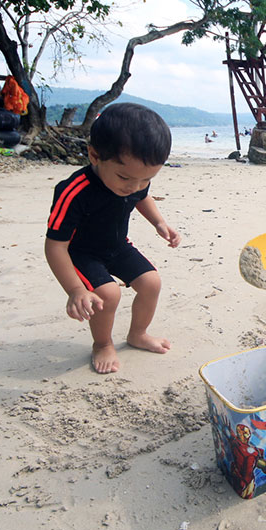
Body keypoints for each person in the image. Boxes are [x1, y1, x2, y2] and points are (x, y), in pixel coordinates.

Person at [44, 103, 181, 374]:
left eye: (146, 179)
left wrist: (159, 223)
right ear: (94, 155)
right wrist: (75, 290)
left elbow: (142, 197)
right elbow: (55, 246)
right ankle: (102, 343)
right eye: (125, 178)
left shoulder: (136, 179)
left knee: (151, 282)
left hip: (117, 246)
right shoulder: (73, 191)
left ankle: (138, 334)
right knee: (108, 294)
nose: (135, 186)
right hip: (81, 253)